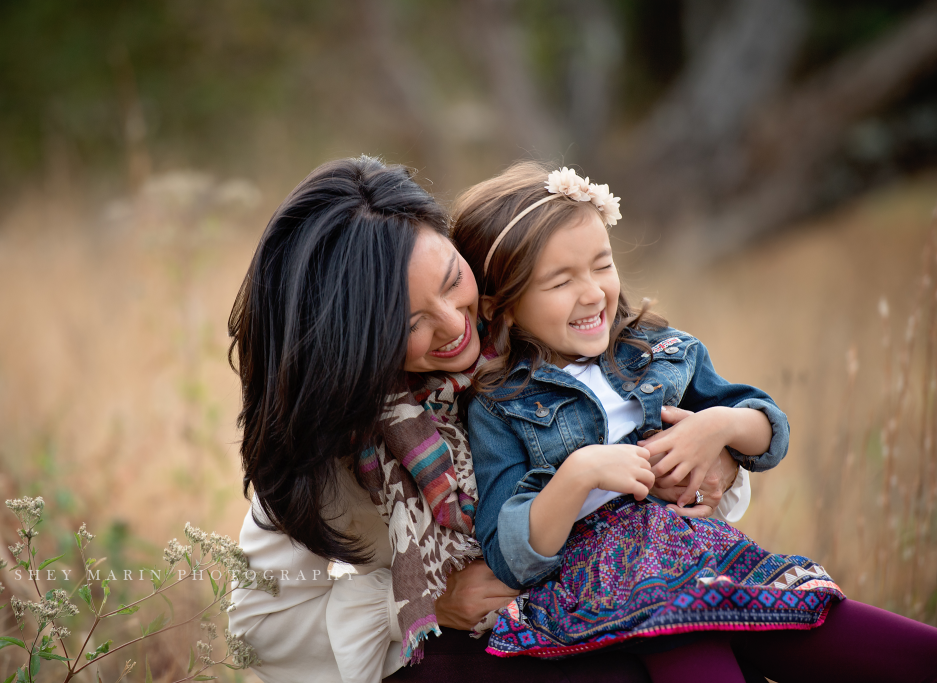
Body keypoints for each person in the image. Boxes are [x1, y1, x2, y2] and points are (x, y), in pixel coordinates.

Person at [226, 156, 762, 683]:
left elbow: (649, 469)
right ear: (354, 343)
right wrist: (419, 605)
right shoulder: (337, 433)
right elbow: (258, 629)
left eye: (452, 278)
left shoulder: (535, 328)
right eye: (408, 322)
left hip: (603, 606)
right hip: (467, 657)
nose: (453, 324)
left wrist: (717, 457)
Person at [451, 161, 937, 682]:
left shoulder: (660, 350)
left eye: (601, 265)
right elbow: (510, 555)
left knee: (898, 650)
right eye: (560, 281)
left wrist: (720, 427)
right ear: (499, 307)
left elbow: (770, 432)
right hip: (621, 597)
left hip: (715, 563)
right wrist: (580, 473)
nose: (592, 292)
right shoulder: (498, 403)